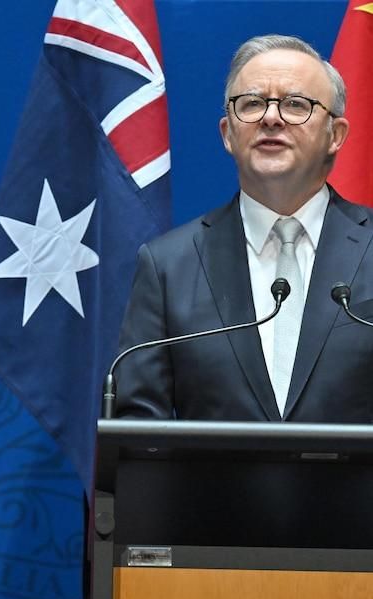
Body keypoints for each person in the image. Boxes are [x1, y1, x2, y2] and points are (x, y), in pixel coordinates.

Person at [115, 34, 373, 422]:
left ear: (335, 135)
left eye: (296, 104)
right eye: (252, 103)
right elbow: (138, 427)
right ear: (228, 134)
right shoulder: (169, 266)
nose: (271, 118)